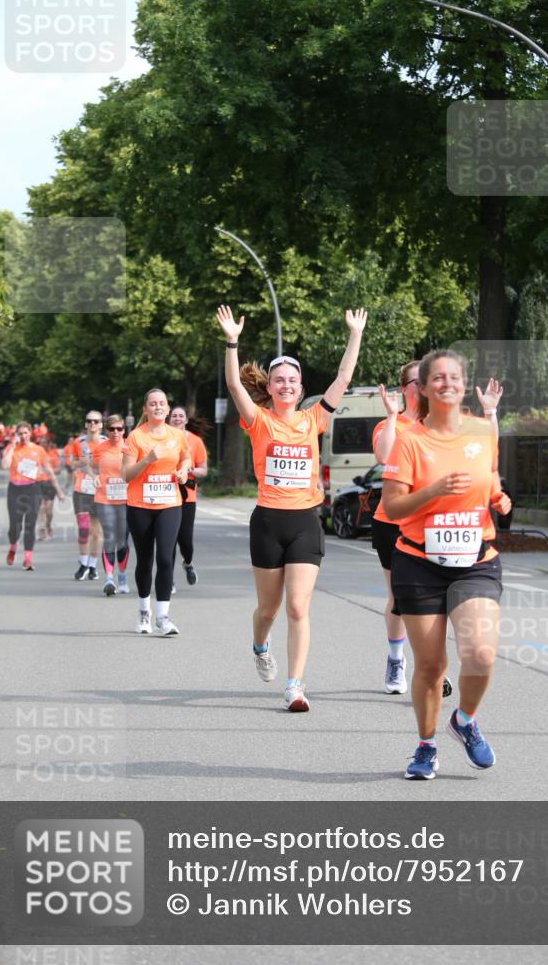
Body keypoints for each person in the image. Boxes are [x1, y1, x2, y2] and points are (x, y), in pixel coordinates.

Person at [216, 303, 367, 712]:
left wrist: (354, 334)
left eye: (292, 380)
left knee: (299, 606)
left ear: (300, 388)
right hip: (267, 522)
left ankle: (295, 685)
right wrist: (232, 342)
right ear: (272, 386)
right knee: (269, 608)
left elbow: (344, 378)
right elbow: (234, 386)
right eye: (279, 380)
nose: (285, 385)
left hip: (304, 521)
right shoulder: (259, 420)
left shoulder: (313, 419)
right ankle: (260, 645)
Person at [381, 350, 511, 780]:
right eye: (438, 377)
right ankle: (426, 744)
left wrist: (497, 497)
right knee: (433, 666)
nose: (448, 384)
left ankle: (466, 720)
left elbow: (489, 480)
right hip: (419, 562)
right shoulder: (410, 439)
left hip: (476, 559)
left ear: (462, 382)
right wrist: (434, 490)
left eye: (454, 377)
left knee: (481, 654)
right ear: (422, 386)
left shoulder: (481, 431)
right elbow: (393, 507)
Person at [373, 367, 502, 695]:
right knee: (399, 600)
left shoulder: (452, 424)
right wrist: (390, 416)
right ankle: (397, 657)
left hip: (445, 525)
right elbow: (384, 454)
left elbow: (486, 448)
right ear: (406, 389)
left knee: (446, 600)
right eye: (417, 381)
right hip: (397, 526)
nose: (426, 386)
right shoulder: (397, 425)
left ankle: (433, 666)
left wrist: (490, 411)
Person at [121, 389, 191, 635]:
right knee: (145, 560)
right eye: (153, 404)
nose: (158, 407)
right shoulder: (135, 437)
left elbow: (186, 458)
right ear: (145, 409)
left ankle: (163, 616)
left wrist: (183, 470)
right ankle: (143, 611)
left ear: (168, 409)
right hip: (140, 506)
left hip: (169, 504)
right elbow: (126, 475)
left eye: (162, 403)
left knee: (165, 557)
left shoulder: (177, 435)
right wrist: (147, 459)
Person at [2, 421, 64, 570]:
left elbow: (48, 470)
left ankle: (28, 559)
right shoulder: (12, 448)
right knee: (14, 525)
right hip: (15, 489)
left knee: (30, 524)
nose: (23, 436)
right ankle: (13, 546)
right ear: (17, 435)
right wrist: (12, 446)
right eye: (20, 433)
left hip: (32, 489)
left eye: (25, 433)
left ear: (30, 433)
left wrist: (59, 490)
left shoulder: (38, 450)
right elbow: (4, 465)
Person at [168, 406, 208, 589]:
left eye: (180, 416)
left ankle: (188, 562)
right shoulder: (162, 438)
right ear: (169, 420)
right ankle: (168, 580)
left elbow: (203, 470)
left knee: (185, 540)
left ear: (185, 420)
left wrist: (191, 469)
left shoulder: (196, 441)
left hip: (187, 496)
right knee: (168, 538)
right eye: (174, 416)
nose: (177, 418)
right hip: (166, 494)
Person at [90, 414, 130, 596]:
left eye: (119, 428)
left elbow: (139, 469)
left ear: (124, 430)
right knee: (109, 536)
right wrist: (94, 477)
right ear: (106, 430)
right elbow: (90, 466)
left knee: (122, 540)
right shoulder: (100, 448)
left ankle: (121, 577)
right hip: (104, 498)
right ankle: (109, 578)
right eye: (111, 429)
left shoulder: (130, 447)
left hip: (126, 499)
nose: (115, 432)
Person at [71, 412, 105, 581]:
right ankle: (83, 563)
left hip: (100, 490)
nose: (92, 423)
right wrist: (80, 463)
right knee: (84, 529)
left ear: (101, 424)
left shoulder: (107, 442)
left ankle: (92, 566)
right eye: (89, 421)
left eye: (96, 421)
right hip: (82, 489)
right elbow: (71, 463)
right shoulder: (79, 442)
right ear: (86, 424)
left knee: (97, 532)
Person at [36, 438, 62, 540]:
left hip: (50, 483)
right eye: (40, 443)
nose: (42, 445)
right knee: (41, 508)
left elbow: (59, 470)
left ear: (48, 444)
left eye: (44, 443)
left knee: (49, 510)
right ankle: (41, 530)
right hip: (38, 483)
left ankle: (48, 525)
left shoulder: (53, 454)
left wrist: (49, 470)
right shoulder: (35, 455)